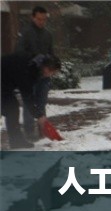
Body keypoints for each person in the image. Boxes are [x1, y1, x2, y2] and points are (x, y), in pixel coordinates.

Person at [1, 53, 61, 149]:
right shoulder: (28, 70)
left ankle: (16, 141)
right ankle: (16, 141)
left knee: (11, 108)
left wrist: (38, 114)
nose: (51, 75)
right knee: (11, 108)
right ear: (46, 68)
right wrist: (39, 115)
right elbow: (27, 96)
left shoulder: (35, 65)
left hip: (5, 83)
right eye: (52, 72)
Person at [15, 5, 54, 140]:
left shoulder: (48, 35)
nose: (42, 22)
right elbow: (19, 53)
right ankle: (29, 132)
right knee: (29, 105)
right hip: (29, 75)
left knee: (41, 103)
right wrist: (35, 59)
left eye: (44, 19)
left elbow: (51, 53)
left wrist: (50, 66)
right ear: (33, 17)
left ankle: (42, 130)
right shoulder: (25, 33)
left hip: (43, 76)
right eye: (39, 19)